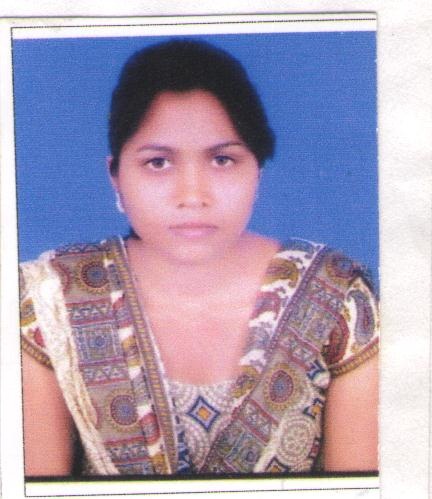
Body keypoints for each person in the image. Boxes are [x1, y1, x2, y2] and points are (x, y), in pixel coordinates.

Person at [20, 39, 379, 476]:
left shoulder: (337, 299)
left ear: (257, 171)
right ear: (115, 176)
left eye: (223, 160)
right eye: (158, 163)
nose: (193, 196)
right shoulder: (49, 302)